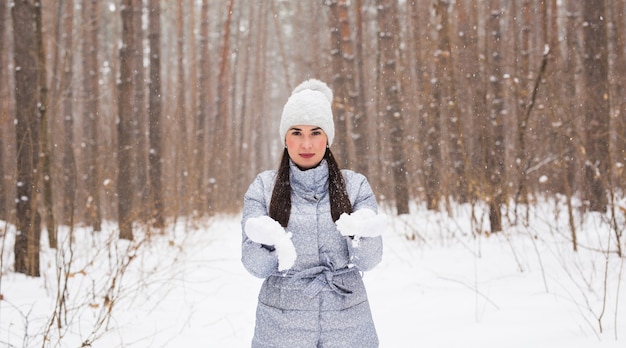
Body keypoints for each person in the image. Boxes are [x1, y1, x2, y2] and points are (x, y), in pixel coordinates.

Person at [240, 79, 387, 347]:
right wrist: (266, 242)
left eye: (315, 132)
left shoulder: (355, 187)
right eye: (296, 132)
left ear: (327, 137)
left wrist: (362, 234)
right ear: (285, 137)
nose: (306, 143)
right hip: (281, 326)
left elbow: (369, 260)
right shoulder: (264, 188)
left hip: (348, 323)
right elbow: (254, 266)